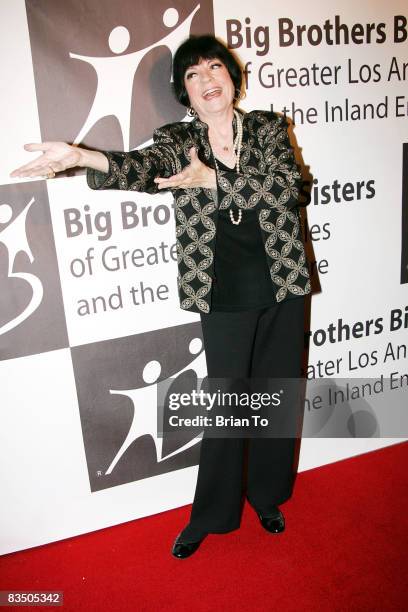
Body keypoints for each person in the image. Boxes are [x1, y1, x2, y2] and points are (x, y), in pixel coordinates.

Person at [10, 34, 311, 559]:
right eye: (192, 75)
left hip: (282, 283)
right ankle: (212, 514)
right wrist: (82, 156)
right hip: (223, 292)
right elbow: (140, 169)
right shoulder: (178, 141)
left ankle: (266, 496)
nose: (206, 80)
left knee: (277, 393)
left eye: (214, 68)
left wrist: (215, 183)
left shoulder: (265, 128)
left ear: (232, 78)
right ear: (185, 94)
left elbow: (290, 188)